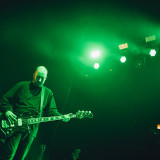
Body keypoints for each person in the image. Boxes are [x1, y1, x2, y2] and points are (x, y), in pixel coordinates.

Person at [0, 66, 70, 160]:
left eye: (43, 78)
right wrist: (7, 111)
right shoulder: (22, 85)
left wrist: (62, 117)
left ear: (46, 78)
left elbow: (52, 111)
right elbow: (5, 98)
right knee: (8, 154)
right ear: (34, 75)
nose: (40, 80)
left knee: (20, 157)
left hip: (31, 130)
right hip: (16, 125)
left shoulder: (47, 93)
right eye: (38, 77)